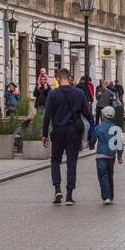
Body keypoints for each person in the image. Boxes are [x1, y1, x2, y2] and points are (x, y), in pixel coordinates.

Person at [42, 68, 93, 205]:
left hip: (58, 131)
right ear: (70, 78)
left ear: (58, 79)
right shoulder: (79, 93)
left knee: (55, 161)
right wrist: (92, 133)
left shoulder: (53, 94)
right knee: (71, 162)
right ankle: (69, 195)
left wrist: (44, 134)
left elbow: (47, 116)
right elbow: (88, 115)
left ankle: (57, 189)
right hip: (73, 132)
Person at [90, 106, 125, 205]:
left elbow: (93, 138)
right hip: (111, 156)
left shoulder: (99, 127)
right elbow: (119, 143)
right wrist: (119, 156)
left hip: (101, 155)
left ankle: (106, 197)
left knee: (103, 176)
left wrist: (91, 145)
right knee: (110, 175)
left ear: (103, 116)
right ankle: (111, 195)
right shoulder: (116, 128)